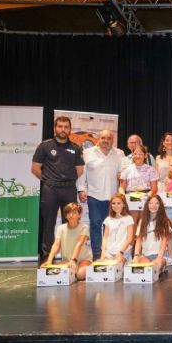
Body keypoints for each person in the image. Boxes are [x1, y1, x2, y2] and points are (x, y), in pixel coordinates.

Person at [31, 116, 84, 264]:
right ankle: (48, 258)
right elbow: (35, 169)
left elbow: (79, 170)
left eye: (66, 127)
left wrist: (66, 181)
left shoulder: (75, 148)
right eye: (60, 126)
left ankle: (72, 258)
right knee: (49, 223)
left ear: (70, 129)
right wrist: (49, 180)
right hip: (50, 190)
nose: (63, 129)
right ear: (55, 128)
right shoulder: (45, 146)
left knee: (73, 223)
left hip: (69, 189)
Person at [76, 129, 124, 259]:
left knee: (113, 226)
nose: (106, 141)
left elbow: (123, 175)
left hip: (114, 198)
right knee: (96, 224)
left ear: (112, 140)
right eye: (103, 138)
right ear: (99, 139)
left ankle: (111, 254)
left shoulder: (119, 154)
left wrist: (122, 191)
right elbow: (82, 173)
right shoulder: (87, 153)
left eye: (109, 138)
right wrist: (81, 189)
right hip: (94, 196)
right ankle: (97, 255)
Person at [41, 202, 91, 281]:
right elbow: (56, 245)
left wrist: (73, 260)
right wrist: (49, 260)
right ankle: (72, 271)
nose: (71, 215)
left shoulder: (84, 227)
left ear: (79, 215)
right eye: (68, 213)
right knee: (48, 271)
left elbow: (79, 244)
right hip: (66, 261)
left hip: (83, 259)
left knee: (80, 275)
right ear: (66, 216)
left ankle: (78, 269)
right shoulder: (61, 228)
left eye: (74, 213)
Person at [132, 194, 171, 277]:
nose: (153, 205)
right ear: (147, 205)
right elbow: (138, 241)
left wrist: (159, 258)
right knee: (142, 271)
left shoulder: (165, 221)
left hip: (160, 255)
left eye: (157, 203)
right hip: (145, 255)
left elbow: (164, 242)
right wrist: (136, 256)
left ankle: (161, 267)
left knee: (153, 270)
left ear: (160, 206)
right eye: (151, 203)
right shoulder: (142, 221)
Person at [119, 144, 158, 225]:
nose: (138, 156)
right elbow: (122, 187)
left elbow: (154, 188)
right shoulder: (127, 169)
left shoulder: (151, 169)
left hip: (146, 198)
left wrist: (147, 196)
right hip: (131, 199)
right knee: (132, 224)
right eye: (135, 153)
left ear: (145, 156)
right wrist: (123, 197)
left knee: (143, 225)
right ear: (132, 155)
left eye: (140, 154)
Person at [100, 194, 134, 263]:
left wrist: (120, 252)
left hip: (123, 252)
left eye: (119, 203)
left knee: (116, 265)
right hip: (109, 252)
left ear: (124, 204)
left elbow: (129, 238)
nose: (116, 205)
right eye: (113, 203)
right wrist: (103, 252)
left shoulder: (128, 218)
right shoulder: (108, 219)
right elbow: (105, 237)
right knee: (102, 268)